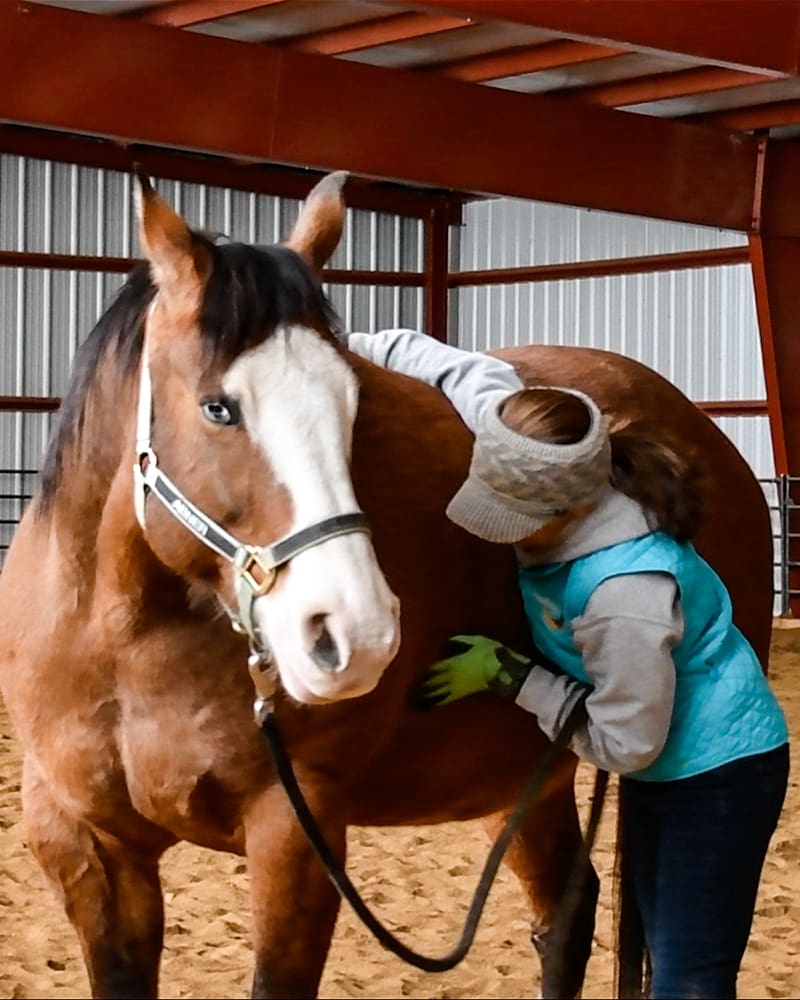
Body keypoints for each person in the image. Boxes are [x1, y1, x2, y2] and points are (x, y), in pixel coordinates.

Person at [347, 328, 789, 1000]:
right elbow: (428, 356)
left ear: (572, 508)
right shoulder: (521, 427)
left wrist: (512, 678)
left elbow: (628, 743)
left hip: (716, 774)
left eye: (517, 521)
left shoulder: (624, 594)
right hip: (671, 759)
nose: (503, 536)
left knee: (688, 975)